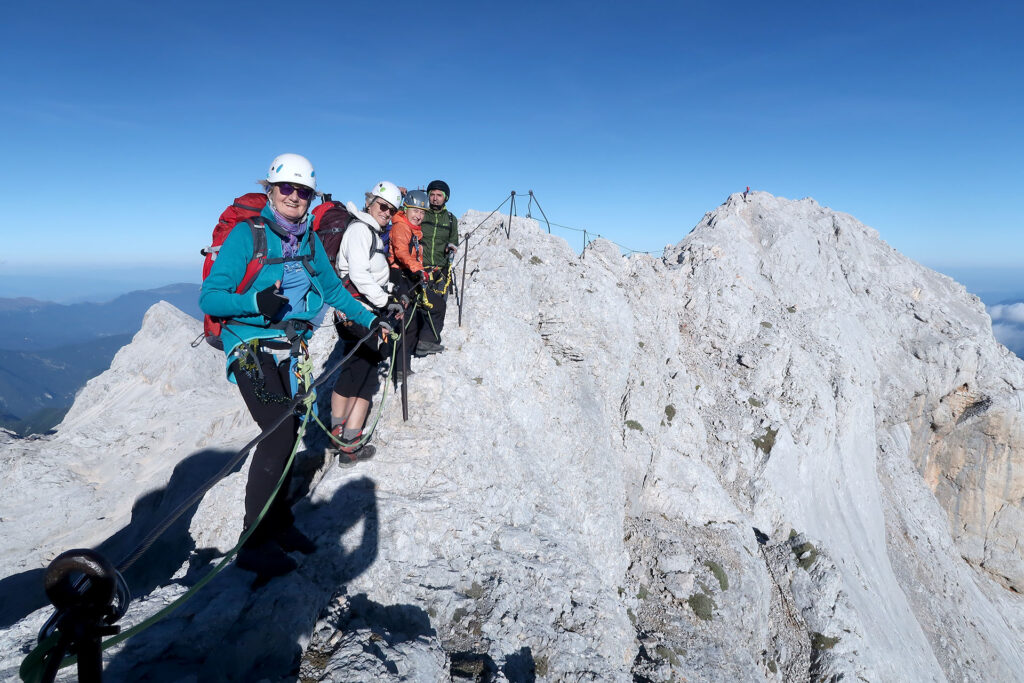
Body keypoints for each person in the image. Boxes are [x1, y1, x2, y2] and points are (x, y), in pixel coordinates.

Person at [200, 153, 387, 579]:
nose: (295, 197)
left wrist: (370, 318)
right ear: (270, 189)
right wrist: (252, 302)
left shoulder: (308, 240)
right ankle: (252, 542)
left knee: (293, 430)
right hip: (248, 343)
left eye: (303, 191)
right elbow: (210, 297)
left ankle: (280, 523)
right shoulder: (248, 236)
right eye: (287, 188)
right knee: (279, 431)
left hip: (289, 346)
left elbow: (332, 290)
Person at [328, 181, 404, 462]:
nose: (387, 212)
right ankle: (348, 443)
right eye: (383, 206)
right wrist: (385, 302)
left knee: (357, 370)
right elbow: (359, 275)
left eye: (392, 210)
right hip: (359, 312)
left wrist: (389, 293)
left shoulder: (369, 231)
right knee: (362, 375)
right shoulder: (361, 230)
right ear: (370, 202)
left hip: (358, 311)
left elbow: (369, 275)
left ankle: (341, 432)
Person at [387, 189, 431, 379]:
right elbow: (401, 253)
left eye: (422, 212)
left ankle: (403, 366)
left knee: (410, 322)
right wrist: (418, 269)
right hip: (399, 275)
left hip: (408, 274)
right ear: (406, 209)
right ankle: (399, 369)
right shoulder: (400, 227)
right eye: (415, 211)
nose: (418, 215)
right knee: (404, 323)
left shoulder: (411, 229)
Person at [416, 179, 459, 356]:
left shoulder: (450, 219)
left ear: (445, 198)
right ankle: (419, 339)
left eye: (438, 195)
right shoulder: (421, 214)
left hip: (440, 269)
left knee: (438, 304)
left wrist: (451, 247)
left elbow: (454, 240)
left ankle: (428, 340)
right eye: (432, 194)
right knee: (420, 304)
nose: (434, 198)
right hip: (420, 267)